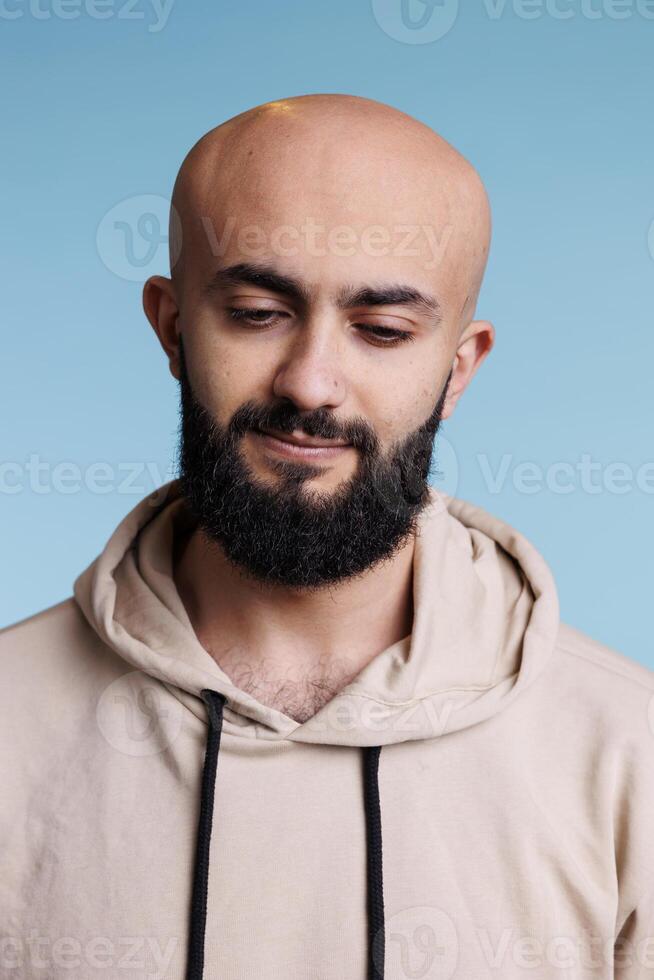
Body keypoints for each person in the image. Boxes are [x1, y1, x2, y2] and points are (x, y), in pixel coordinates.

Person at [1, 93, 653, 980]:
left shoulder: (630, 752)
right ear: (172, 328)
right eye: (259, 312)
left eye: (381, 330)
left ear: (458, 369)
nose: (312, 384)